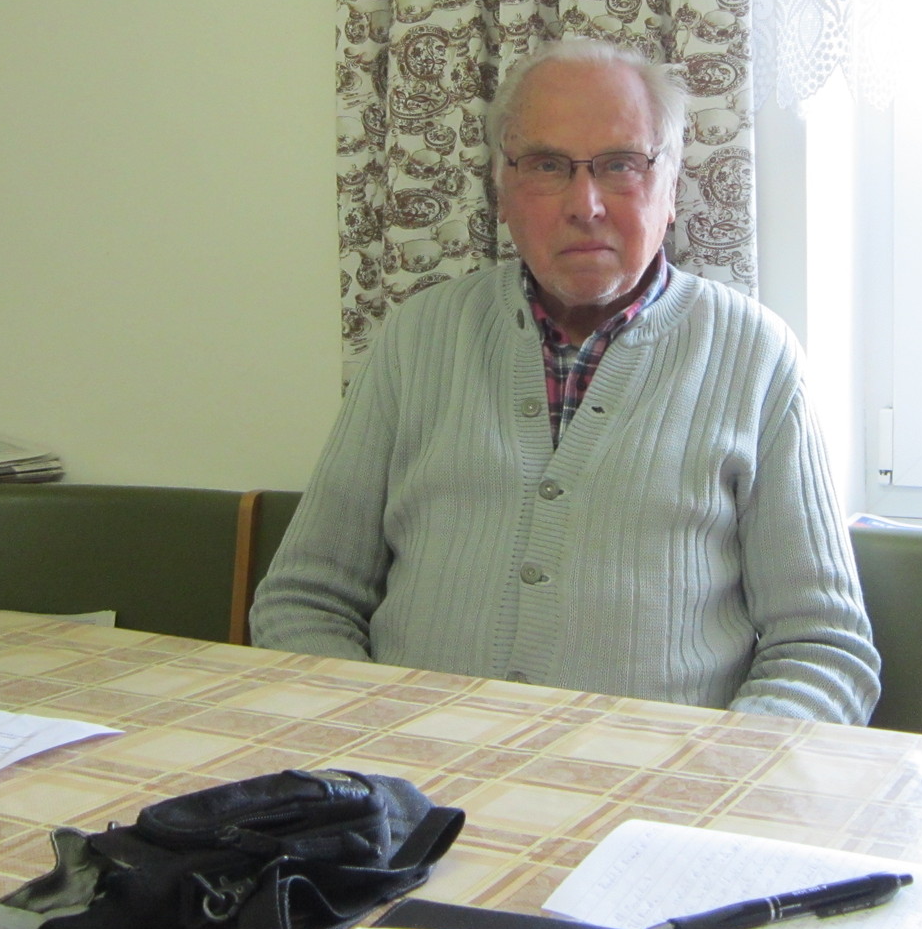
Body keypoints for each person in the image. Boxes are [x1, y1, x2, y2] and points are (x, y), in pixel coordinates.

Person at [250, 39, 879, 722]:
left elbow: (823, 649)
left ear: (671, 188)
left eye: (621, 165)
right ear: (502, 189)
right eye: (548, 165)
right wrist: (371, 744)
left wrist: (716, 769)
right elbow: (304, 601)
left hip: (654, 780)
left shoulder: (755, 355)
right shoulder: (417, 338)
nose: (586, 204)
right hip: (412, 773)